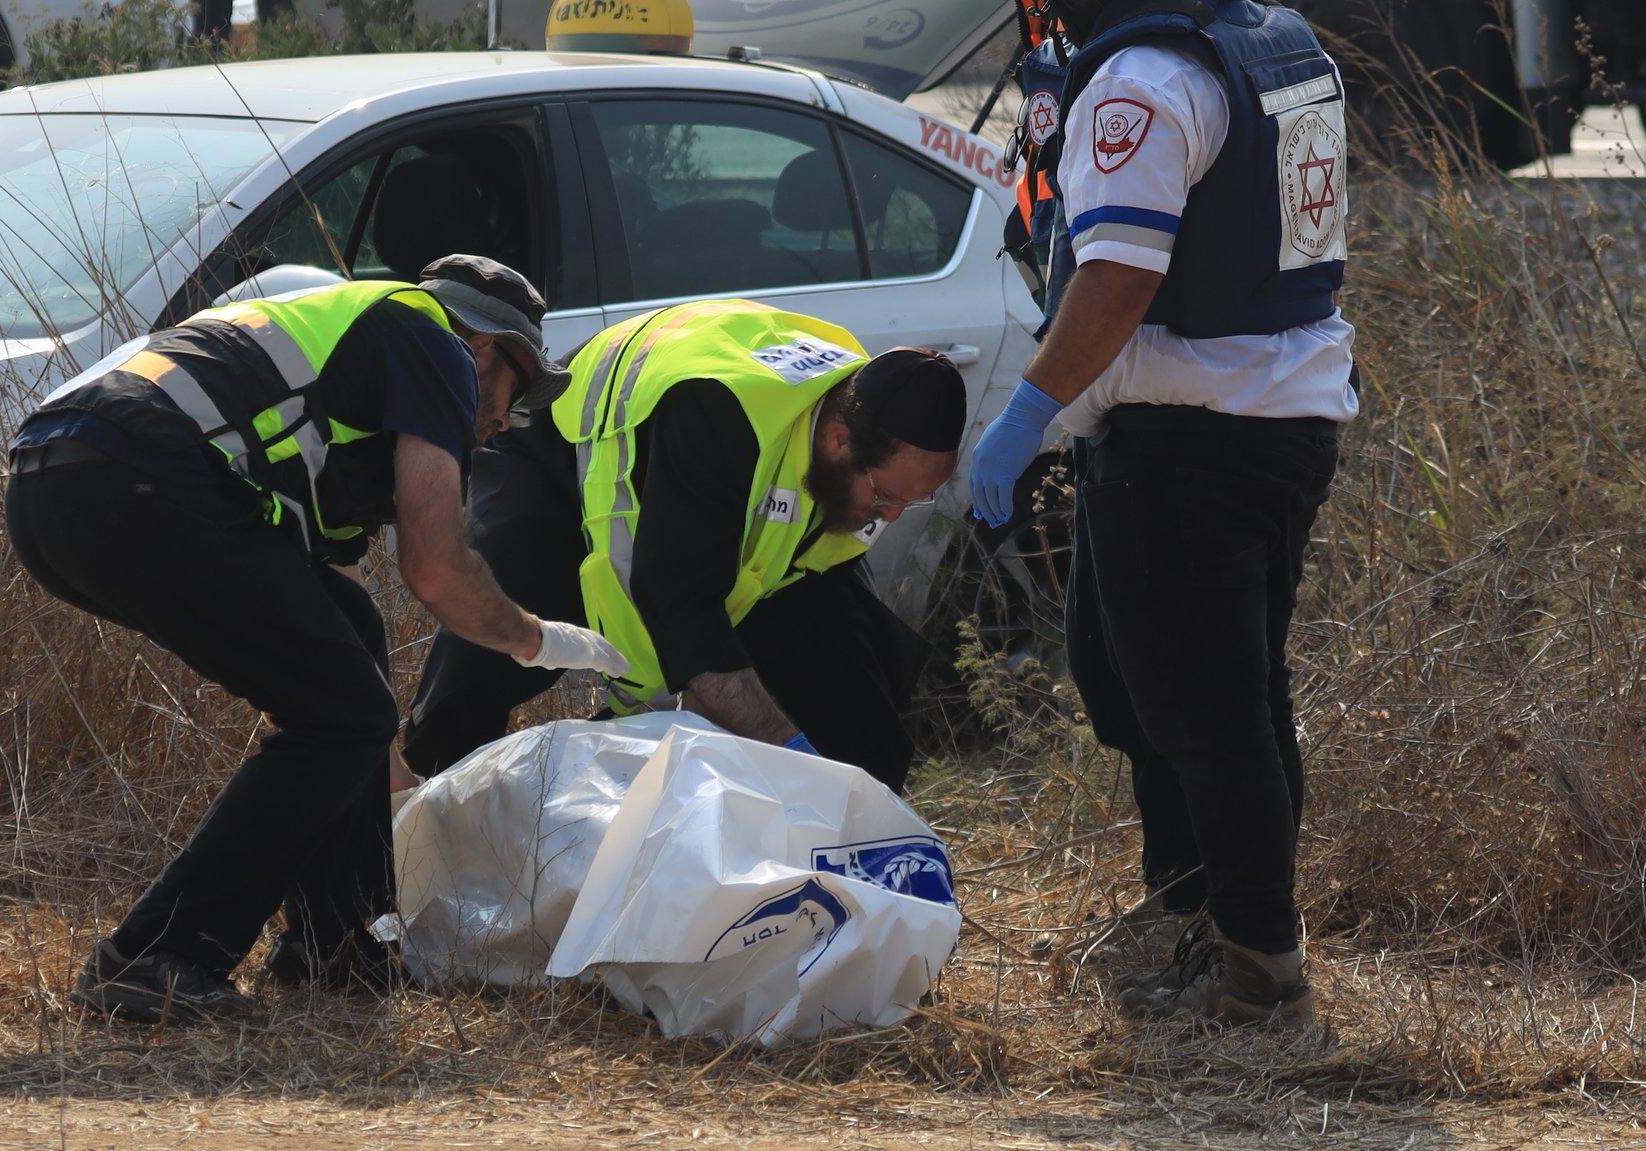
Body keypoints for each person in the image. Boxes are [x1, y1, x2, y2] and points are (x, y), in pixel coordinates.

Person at [5, 255, 627, 1024]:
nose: (504, 420)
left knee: (352, 638)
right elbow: (436, 568)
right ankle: (157, 954)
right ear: (483, 348)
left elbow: (306, 574)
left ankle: (341, 946)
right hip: (133, 474)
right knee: (346, 712)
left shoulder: (350, 335)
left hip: (54, 479)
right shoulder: (432, 344)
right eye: (512, 391)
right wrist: (534, 637)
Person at [970, 0, 1355, 1029]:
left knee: (1210, 711)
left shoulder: (1142, 81)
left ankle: (1256, 968)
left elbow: (1119, 276)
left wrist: (1026, 414)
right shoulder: (1275, 41)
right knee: (1135, 682)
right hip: (1263, 416)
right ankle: (1191, 911)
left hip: (1193, 436)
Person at [399, 300, 967, 794]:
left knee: (857, 694)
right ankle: (421, 813)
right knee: (491, 648)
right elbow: (679, 609)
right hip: (562, 452)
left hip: (727, 448)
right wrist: (791, 749)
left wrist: (846, 776)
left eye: (910, 504)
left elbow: (810, 613)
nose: (890, 516)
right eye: (887, 496)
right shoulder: (719, 419)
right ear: (839, 440)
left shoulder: (853, 430)